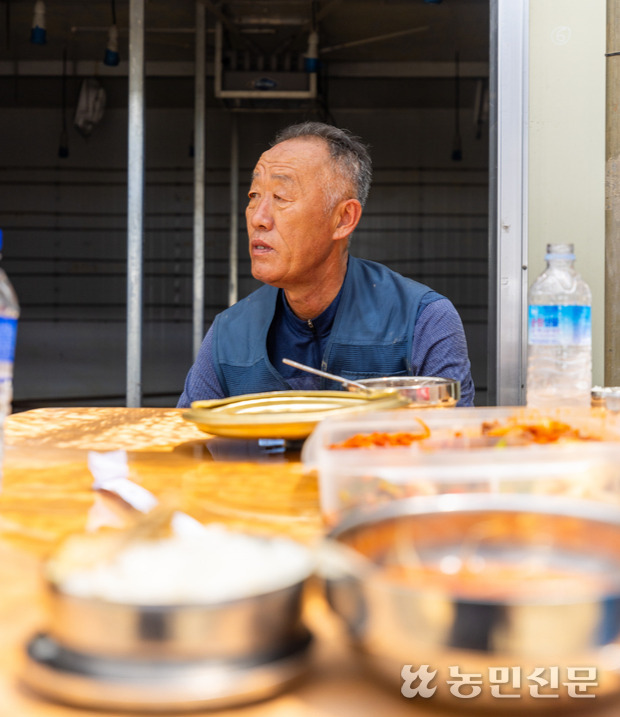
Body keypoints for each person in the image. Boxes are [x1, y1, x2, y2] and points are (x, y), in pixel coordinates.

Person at [177, 121, 474, 407]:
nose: (258, 217)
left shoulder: (422, 318)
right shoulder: (230, 332)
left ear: (343, 219)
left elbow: (454, 445)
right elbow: (182, 445)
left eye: (280, 196)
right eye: (254, 195)